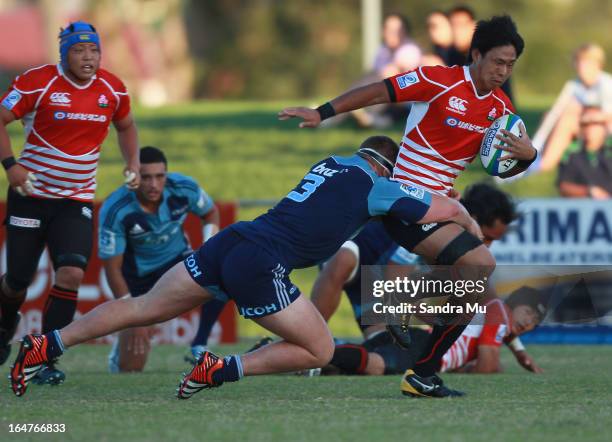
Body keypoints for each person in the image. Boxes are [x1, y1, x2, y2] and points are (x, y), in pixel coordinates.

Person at [10, 136, 480, 398]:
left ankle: (45, 344)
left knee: (143, 305)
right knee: (318, 349)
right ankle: (219, 369)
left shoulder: (330, 163)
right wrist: (461, 216)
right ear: (387, 168)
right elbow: (446, 211)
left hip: (237, 239)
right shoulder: (378, 186)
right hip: (263, 261)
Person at [279, 15, 537, 396]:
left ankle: (420, 362)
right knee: (479, 263)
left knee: (474, 275)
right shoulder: (438, 80)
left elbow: (513, 161)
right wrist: (323, 112)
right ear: (477, 54)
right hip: (404, 199)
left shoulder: (500, 109)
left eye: (510, 65)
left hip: (437, 205)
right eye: (498, 61)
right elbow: (378, 92)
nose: (503, 71)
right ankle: (407, 333)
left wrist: (528, 154)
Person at [0, 22, 140, 385]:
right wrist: (11, 166)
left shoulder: (113, 89)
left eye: (94, 50)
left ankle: (44, 358)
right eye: (79, 51)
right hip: (30, 199)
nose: (88, 57)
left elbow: (126, 126)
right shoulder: (38, 81)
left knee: (73, 272)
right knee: (17, 281)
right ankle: (3, 326)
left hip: (75, 200)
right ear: (64, 54)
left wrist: (133, 163)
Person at [99, 146, 223, 373]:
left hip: (176, 263)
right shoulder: (116, 209)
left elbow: (210, 213)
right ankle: (119, 355)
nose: (154, 184)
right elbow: (112, 270)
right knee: (131, 369)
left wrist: (207, 249)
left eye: (159, 176)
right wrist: (132, 316)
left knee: (222, 277)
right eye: (146, 177)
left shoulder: (183, 188)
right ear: (133, 176)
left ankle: (198, 345)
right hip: (137, 278)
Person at [324, 287, 546, 384]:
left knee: (347, 366)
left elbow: (498, 337)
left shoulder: (494, 312)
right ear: (514, 304)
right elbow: (487, 367)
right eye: (528, 313)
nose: (528, 322)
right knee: (376, 366)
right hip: (421, 347)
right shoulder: (500, 314)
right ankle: (319, 352)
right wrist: (487, 366)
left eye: (534, 322)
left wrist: (520, 352)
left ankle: (323, 355)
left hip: (418, 339)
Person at [538, 44, 612, 171]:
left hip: (604, 127)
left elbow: (608, 115)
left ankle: (544, 165)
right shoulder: (573, 85)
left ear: (597, 65)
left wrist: (582, 117)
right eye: (579, 63)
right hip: (587, 126)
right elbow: (558, 109)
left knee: (568, 121)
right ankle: (539, 157)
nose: (581, 67)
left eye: (586, 63)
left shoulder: (605, 83)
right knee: (556, 118)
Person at [557, 107, 612, 198]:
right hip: (584, 208)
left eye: (595, 123)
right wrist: (589, 191)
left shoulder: (609, 150)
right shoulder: (572, 153)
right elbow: (564, 186)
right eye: (585, 124)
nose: (589, 128)